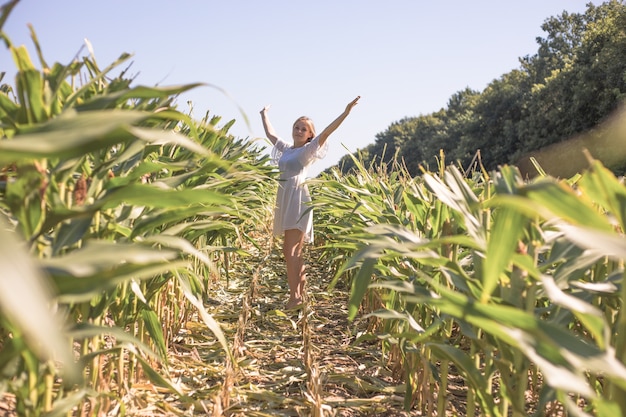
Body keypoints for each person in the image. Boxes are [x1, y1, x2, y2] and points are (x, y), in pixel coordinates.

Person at [260, 96, 360, 310]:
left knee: (291, 251)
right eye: (296, 127)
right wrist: (264, 114)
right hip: (286, 198)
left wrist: (345, 112)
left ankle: (295, 299)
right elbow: (270, 134)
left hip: (297, 198)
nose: (298, 130)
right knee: (291, 251)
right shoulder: (286, 149)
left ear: (309, 135)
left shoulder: (307, 150)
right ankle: (299, 295)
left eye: (303, 129)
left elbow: (326, 132)